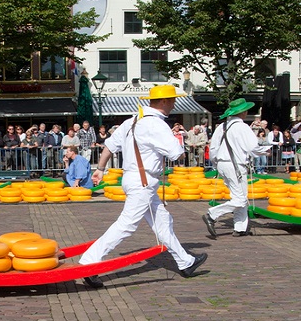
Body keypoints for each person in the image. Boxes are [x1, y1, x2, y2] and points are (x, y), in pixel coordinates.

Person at [79, 85, 207, 288]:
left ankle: (185, 262)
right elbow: (177, 153)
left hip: (135, 179)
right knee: (126, 225)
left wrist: (100, 169)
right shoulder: (156, 124)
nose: (174, 104)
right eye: (172, 100)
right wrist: (183, 139)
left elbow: (109, 146)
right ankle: (89, 261)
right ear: (164, 102)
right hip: (144, 181)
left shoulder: (132, 121)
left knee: (162, 221)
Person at [202, 98, 271, 238]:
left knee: (239, 195)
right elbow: (253, 147)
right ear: (243, 112)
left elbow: (213, 149)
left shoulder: (222, 126)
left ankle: (240, 228)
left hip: (222, 163)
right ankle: (212, 214)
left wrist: (216, 164)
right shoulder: (242, 127)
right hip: (235, 164)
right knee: (240, 199)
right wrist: (266, 150)